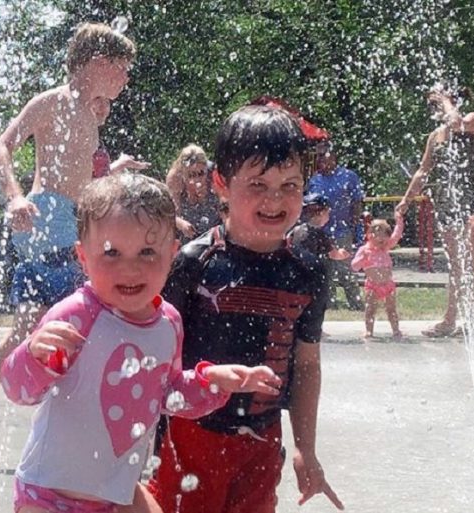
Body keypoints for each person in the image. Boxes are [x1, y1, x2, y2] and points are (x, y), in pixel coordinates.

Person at [0, 173, 281, 513]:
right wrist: (32, 356)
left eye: (147, 252)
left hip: (115, 497)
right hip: (49, 495)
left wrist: (212, 382)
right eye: (111, 253)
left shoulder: (169, 324)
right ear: (83, 257)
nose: (130, 269)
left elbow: (168, 395)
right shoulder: (76, 315)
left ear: (173, 253)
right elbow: (21, 391)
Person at [0, 21, 136, 470]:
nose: (125, 78)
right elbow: (1, 147)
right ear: (97, 63)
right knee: (85, 321)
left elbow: (79, 180)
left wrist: (111, 174)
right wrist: (14, 196)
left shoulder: (90, 113)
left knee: (36, 328)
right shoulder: (53, 102)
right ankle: (92, 437)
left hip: (70, 223)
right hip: (44, 218)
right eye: (121, 69)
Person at [149, 105, 343, 513]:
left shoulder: (308, 272)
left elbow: (306, 364)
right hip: (190, 435)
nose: (275, 200)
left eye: (290, 185)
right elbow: (157, 356)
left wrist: (305, 448)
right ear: (222, 183)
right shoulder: (192, 263)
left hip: (262, 440)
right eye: (258, 184)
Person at [395, 82, 474, 337]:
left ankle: (471, 321)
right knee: (456, 263)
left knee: (470, 262)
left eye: (437, 104)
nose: (435, 110)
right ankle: (452, 320)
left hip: (470, 204)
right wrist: (406, 200)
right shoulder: (435, 136)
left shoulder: (472, 120)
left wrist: (446, 100)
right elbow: (423, 172)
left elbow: (456, 123)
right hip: (446, 204)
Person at [308, 139, 365, 310]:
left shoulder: (348, 176)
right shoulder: (314, 181)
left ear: (333, 156)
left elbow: (357, 202)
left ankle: (355, 303)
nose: (320, 160)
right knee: (325, 268)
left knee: (344, 268)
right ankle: (329, 303)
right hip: (320, 231)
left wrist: (355, 226)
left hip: (342, 230)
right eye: (317, 157)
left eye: (323, 156)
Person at [288, 193, 351, 312]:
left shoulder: (295, 230)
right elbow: (333, 254)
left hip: (295, 271)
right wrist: (343, 253)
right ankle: (313, 329)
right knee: (314, 304)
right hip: (311, 274)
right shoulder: (319, 233)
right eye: (328, 213)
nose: (328, 216)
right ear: (321, 213)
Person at [351, 211, 405, 339]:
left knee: (391, 310)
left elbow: (397, 236)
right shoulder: (365, 250)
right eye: (377, 235)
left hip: (388, 285)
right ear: (369, 235)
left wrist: (399, 221)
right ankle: (369, 331)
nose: (381, 238)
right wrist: (362, 258)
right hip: (372, 285)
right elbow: (354, 266)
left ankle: (396, 330)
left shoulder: (386, 247)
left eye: (385, 235)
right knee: (370, 310)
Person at [165, 144, 220, 243]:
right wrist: (180, 223)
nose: (197, 179)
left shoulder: (213, 175)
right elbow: (169, 214)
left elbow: (229, 207)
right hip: (187, 232)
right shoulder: (175, 180)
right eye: (191, 175)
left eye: (201, 173)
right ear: (183, 173)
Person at [91, 96, 150, 178]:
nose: (104, 107)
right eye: (97, 99)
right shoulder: (75, 137)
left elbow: (97, 178)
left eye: (107, 101)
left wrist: (121, 164)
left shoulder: (93, 137)